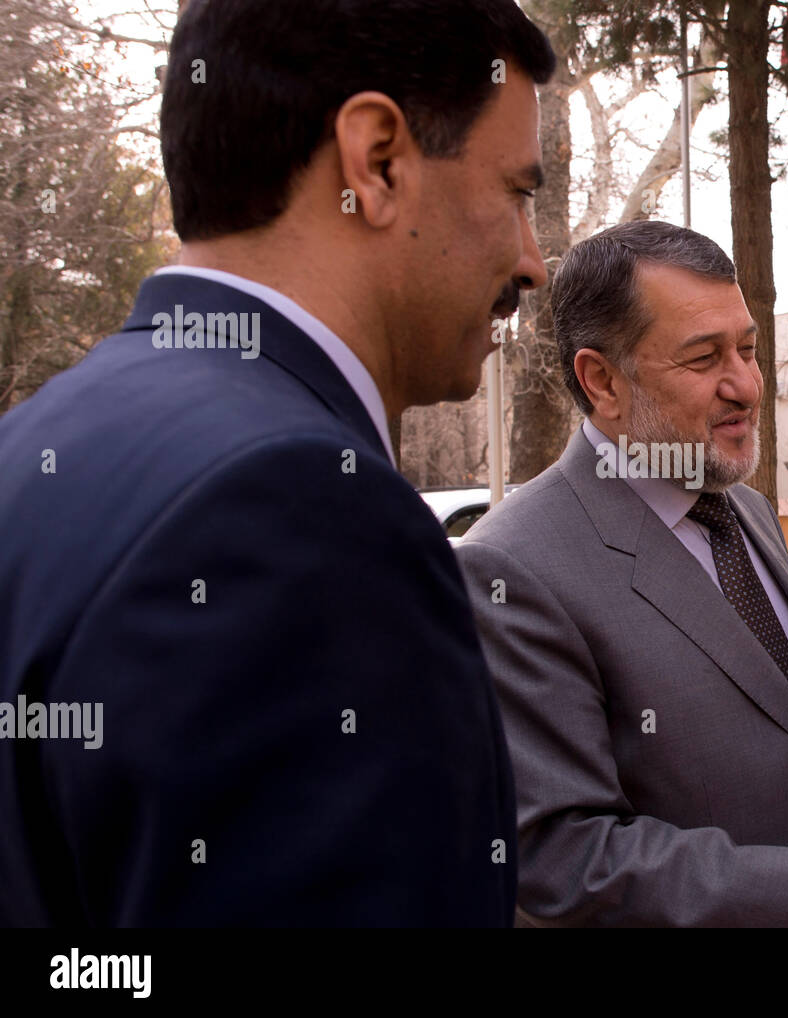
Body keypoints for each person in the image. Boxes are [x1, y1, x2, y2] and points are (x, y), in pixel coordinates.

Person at [0, 0, 554, 926]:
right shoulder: (303, 515)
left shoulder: (37, 444)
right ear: (377, 160)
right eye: (518, 192)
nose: (532, 263)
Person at [457, 221, 788, 927]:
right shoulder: (510, 569)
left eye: (749, 350)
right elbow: (561, 863)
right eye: (704, 359)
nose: (748, 386)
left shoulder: (746, 510)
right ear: (601, 381)